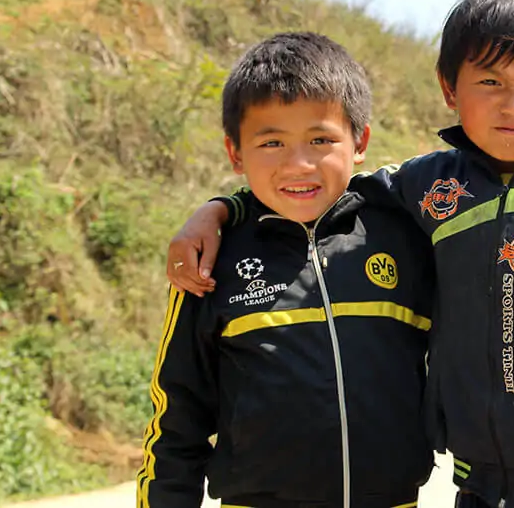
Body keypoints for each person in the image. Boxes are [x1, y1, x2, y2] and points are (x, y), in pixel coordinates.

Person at [168, 0, 514, 508]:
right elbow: (319, 187)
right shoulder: (428, 187)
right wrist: (222, 210)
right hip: (479, 489)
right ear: (450, 89)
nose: (513, 105)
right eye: (490, 82)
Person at [137, 32, 436, 508]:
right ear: (236, 154)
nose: (299, 165)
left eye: (320, 139)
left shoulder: (402, 230)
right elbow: (178, 419)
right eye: (271, 142)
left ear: (360, 142)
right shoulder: (212, 259)